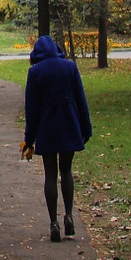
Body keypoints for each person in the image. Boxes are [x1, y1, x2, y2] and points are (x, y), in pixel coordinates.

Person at [20, 34, 92, 242]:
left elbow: (31, 109)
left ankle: (53, 223)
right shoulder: (69, 67)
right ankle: (69, 216)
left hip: (47, 127)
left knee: (50, 174)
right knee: (66, 170)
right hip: (69, 124)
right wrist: (85, 129)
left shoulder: (35, 72)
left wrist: (29, 139)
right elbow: (81, 99)